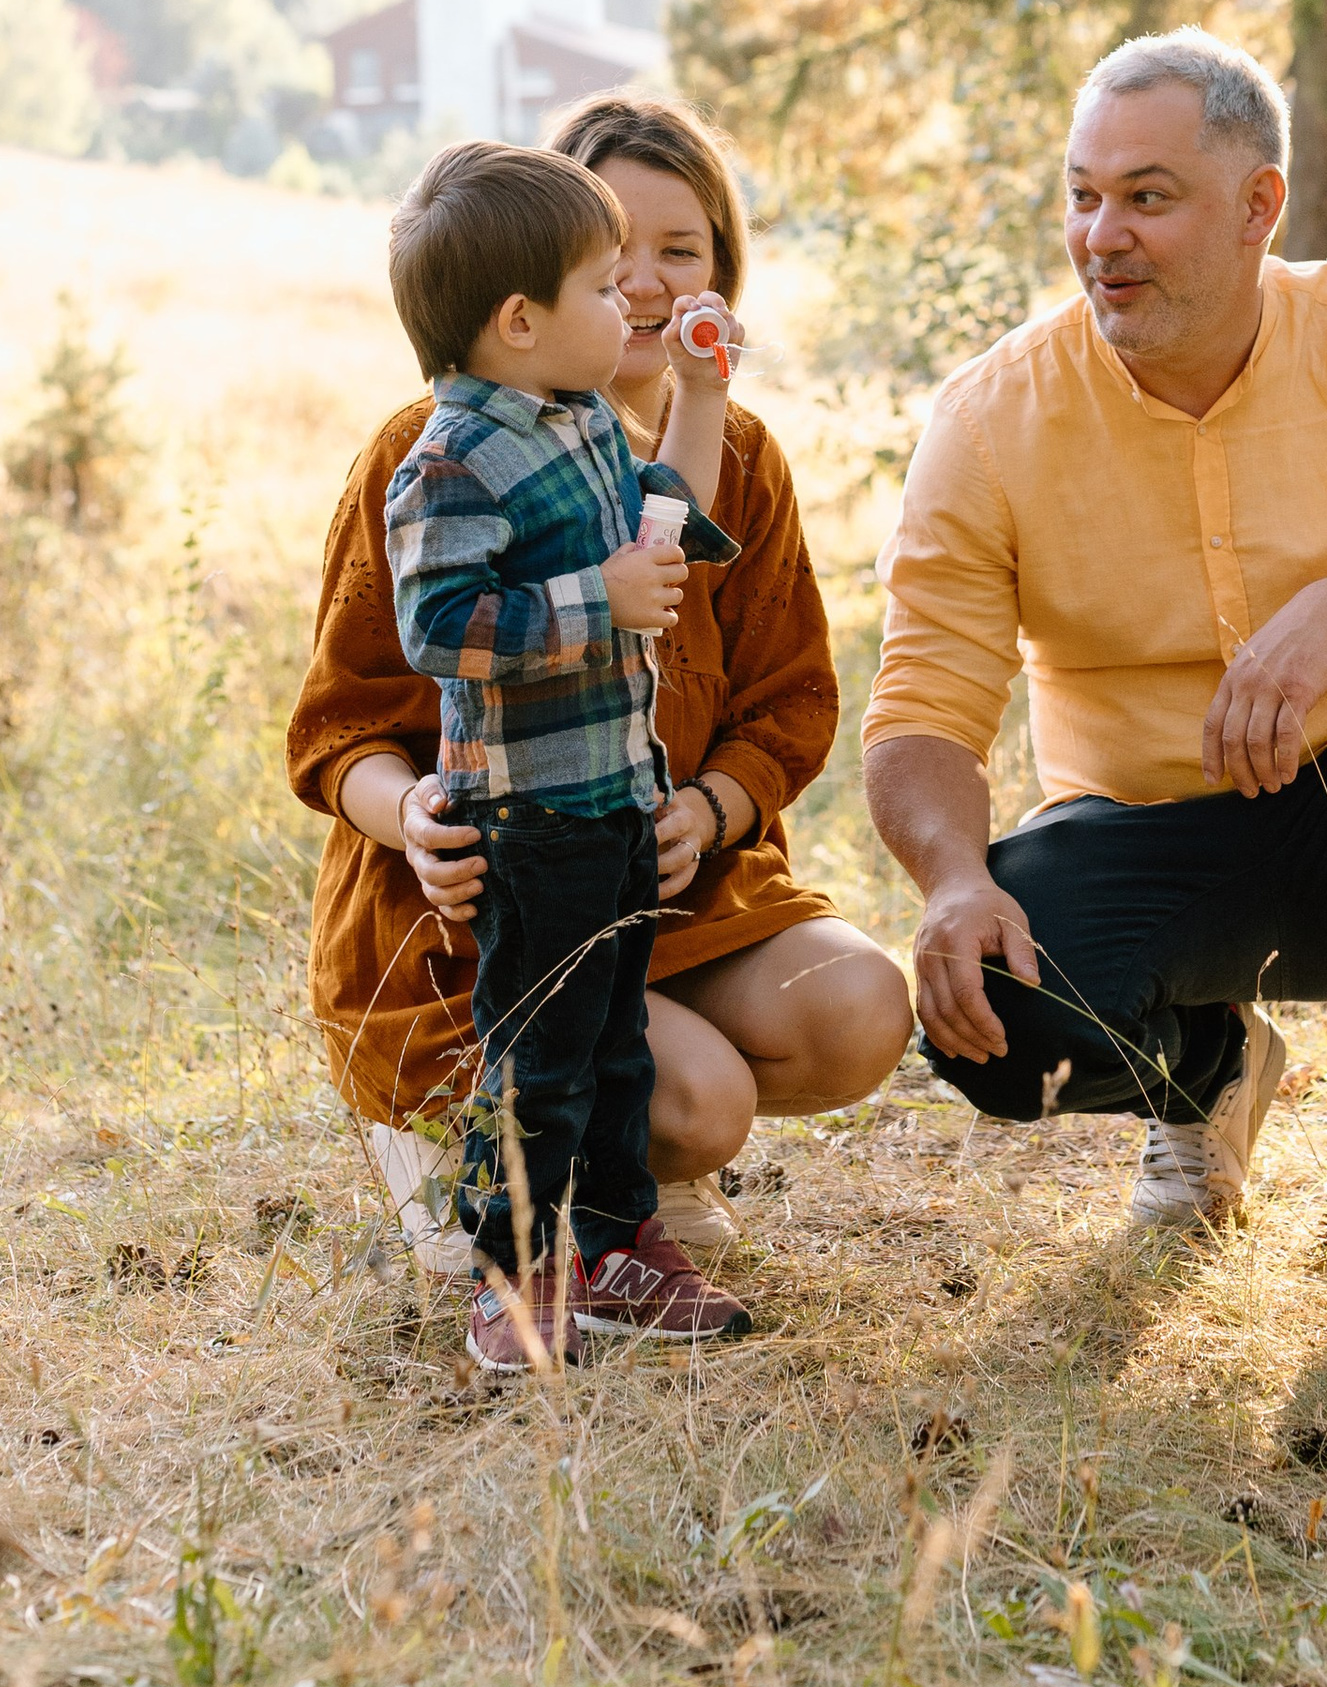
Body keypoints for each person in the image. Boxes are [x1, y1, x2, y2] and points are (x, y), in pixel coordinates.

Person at [861, 27, 1327, 1300]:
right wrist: (945, 878)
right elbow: (924, 701)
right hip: (1147, 843)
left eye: (1147, 198)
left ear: (1259, 204)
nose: (1103, 234)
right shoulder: (990, 418)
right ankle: (1205, 1073)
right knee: (987, 1013)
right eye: (1083, 195)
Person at [288, 94, 911, 1293]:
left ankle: (617, 1164)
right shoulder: (430, 454)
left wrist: (715, 810)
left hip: (657, 877)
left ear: (722, 275)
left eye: (680, 253)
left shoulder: (741, 455)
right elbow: (340, 723)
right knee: (696, 1095)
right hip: (485, 901)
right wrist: (409, 819)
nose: (641, 283)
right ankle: (474, 1157)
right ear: (529, 283)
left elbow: (789, 700)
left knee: (857, 1011)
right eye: (609, 253)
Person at [382, 136, 755, 1370]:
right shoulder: (447, 462)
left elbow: (673, 525)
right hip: (527, 815)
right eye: (604, 285)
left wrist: (699, 397)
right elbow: (441, 629)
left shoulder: (585, 420)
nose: (632, 300)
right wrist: (595, 597)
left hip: (612, 797)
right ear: (521, 320)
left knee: (612, 1045)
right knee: (533, 1052)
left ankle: (614, 1242)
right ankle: (512, 1272)